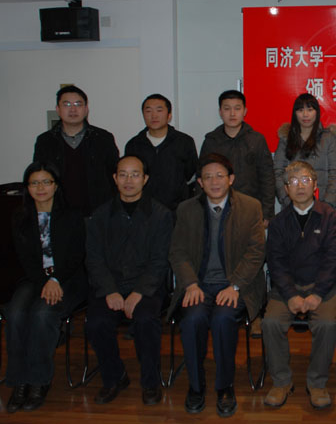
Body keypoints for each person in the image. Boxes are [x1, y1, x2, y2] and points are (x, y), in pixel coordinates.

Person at [168, 153, 266, 417]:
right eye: (207, 177)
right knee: (192, 320)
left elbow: (256, 252)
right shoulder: (186, 209)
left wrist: (235, 285)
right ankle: (196, 386)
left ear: (231, 179)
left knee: (223, 320)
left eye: (219, 176)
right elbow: (178, 252)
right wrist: (190, 283)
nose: (214, 182)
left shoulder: (250, 207)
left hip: (236, 286)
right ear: (200, 182)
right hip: (198, 285)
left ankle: (224, 386)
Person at [84, 155, 172, 406]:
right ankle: (114, 377)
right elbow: (94, 258)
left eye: (135, 174)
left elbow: (160, 260)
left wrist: (139, 292)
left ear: (145, 179)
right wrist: (109, 290)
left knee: (145, 320)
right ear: (115, 178)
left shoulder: (161, 215)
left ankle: (150, 382)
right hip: (110, 285)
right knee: (96, 322)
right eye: (123, 174)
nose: (129, 180)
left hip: (147, 287)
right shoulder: (100, 215)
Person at [5, 162, 87, 413]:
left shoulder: (72, 216)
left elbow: (76, 256)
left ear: (56, 185)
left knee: (42, 314)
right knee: (15, 314)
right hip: (35, 279)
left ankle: (39, 381)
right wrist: (45, 281)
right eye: (34, 183)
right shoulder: (20, 218)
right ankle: (19, 381)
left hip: (68, 279)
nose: (40, 188)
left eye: (46, 182)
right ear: (27, 188)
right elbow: (25, 259)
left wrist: (56, 279)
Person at [262, 161, 336, 409]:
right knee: (270, 322)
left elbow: (333, 260)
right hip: (287, 288)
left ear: (315, 185)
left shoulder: (330, 217)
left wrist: (317, 294)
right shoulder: (278, 222)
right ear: (286, 188)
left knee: (327, 325)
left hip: (323, 287)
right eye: (294, 181)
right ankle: (281, 382)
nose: (300, 186)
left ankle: (317, 383)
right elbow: (275, 263)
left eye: (306, 180)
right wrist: (290, 295)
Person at [33, 85, 119, 216]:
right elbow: (39, 177)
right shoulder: (45, 141)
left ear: (86, 109)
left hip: (97, 214)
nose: (73, 109)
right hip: (59, 213)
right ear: (58, 109)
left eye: (78, 104)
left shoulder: (103, 138)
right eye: (67, 104)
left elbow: (115, 175)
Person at [200, 90, 275, 224]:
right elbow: (202, 176)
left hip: (251, 207)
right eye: (227, 109)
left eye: (237, 108)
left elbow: (267, 177)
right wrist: (200, 211)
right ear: (220, 112)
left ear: (245, 111)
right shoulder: (211, 141)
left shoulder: (256, 140)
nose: (232, 113)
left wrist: (267, 212)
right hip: (218, 208)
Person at [125, 93, 198, 212]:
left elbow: (191, 175)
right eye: (148, 111)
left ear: (169, 115)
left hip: (177, 210)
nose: (154, 115)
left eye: (159, 110)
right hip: (143, 210)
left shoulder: (184, 142)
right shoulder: (134, 145)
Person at [273, 93, 336, 208]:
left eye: (310, 110)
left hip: (322, 206)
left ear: (317, 112)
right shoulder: (286, 139)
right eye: (300, 110)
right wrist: (287, 201)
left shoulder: (328, 138)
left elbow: (334, 174)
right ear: (295, 113)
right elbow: (278, 172)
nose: (305, 115)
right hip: (292, 206)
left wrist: (327, 205)